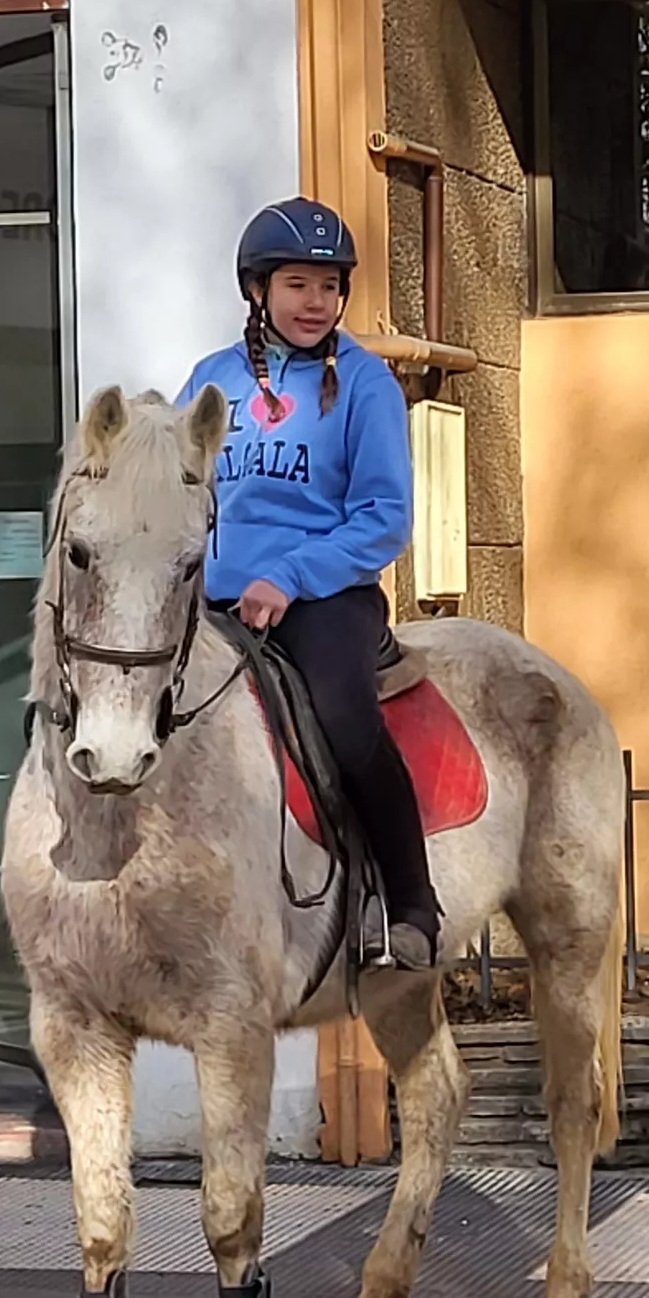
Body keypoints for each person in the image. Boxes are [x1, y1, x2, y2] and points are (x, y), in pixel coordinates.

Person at [179, 196, 434, 970]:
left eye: (328, 286)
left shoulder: (366, 386)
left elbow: (385, 518)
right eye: (297, 284)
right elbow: (181, 490)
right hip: (216, 598)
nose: (315, 302)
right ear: (257, 289)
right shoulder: (211, 380)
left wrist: (288, 576)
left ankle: (408, 900)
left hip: (324, 598)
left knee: (346, 721)